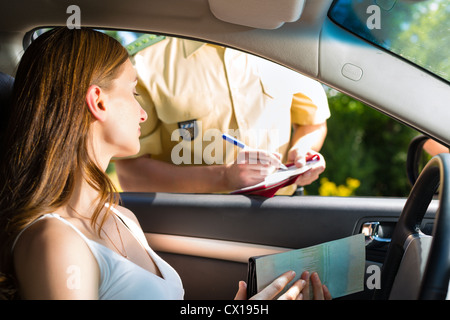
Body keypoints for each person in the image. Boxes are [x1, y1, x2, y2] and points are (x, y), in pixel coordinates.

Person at [0, 27, 331, 300]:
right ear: (98, 101)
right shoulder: (55, 243)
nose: (142, 112)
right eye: (133, 93)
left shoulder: (121, 217)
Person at [115, 35, 330, 195]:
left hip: (283, 211)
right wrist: (224, 177)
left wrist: (302, 152)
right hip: (195, 229)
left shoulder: (287, 48)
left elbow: (313, 124)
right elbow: (130, 174)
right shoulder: (145, 63)